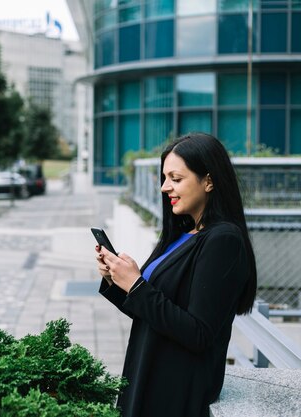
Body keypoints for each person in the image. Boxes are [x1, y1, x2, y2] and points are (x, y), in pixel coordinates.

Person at [95, 133, 257, 417]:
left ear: (208, 181)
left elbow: (198, 333)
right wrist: (117, 281)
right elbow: (152, 312)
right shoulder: (181, 234)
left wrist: (136, 285)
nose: (164, 187)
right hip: (149, 372)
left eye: (176, 178)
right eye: (164, 178)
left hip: (177, 391)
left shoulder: (223, 240)